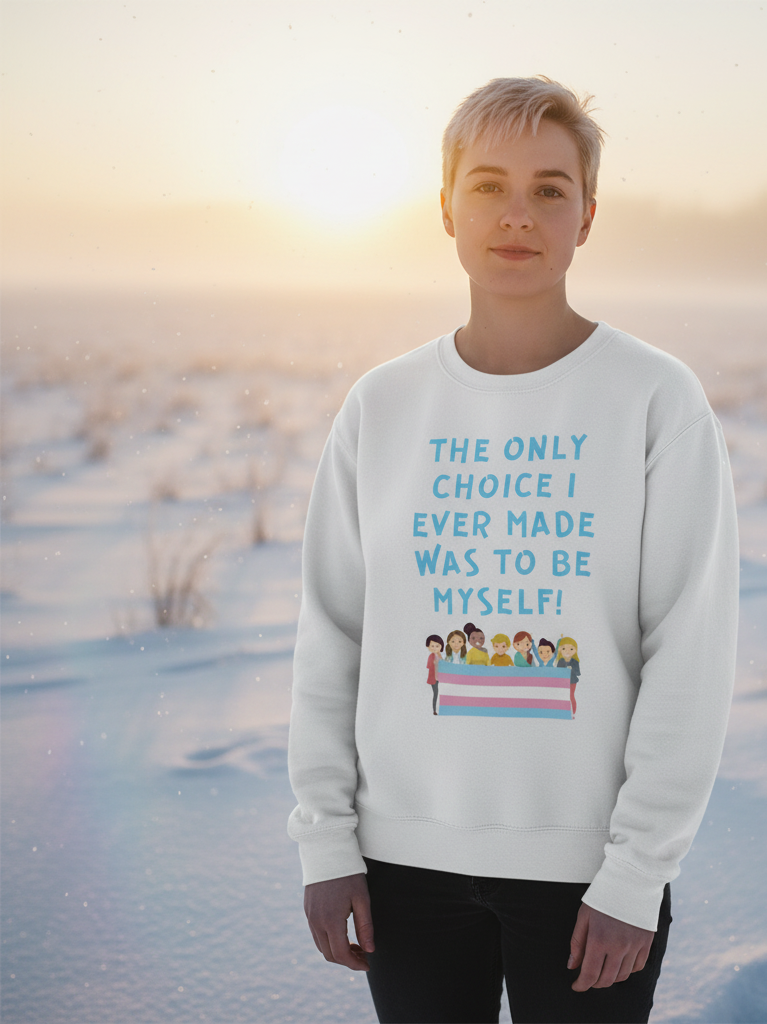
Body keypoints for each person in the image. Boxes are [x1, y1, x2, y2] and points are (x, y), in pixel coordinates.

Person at [288, 76, 738, 1024]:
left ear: (587, 216)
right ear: (445, 206)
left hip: (586, 883)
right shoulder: (384, 405)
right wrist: (328, 846)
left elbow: (689, 653)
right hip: (401, 871)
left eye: (549, 189)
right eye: (488, 185)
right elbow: (334, 637)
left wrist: (636, 873)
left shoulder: (654, 400)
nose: (516, 215)